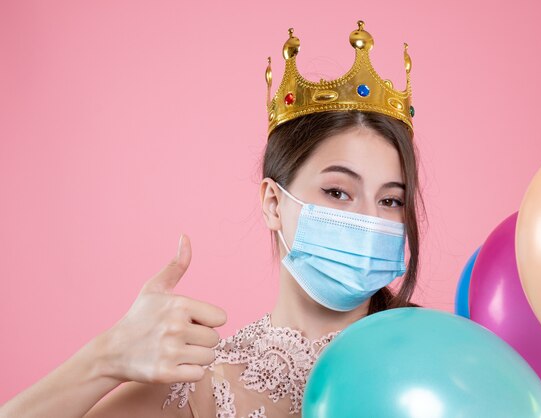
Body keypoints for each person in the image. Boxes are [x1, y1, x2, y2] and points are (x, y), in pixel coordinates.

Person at [0, 20, 424, 418]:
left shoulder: (427, 357)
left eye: (390, 201)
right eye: (337, 192)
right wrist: (106, 358)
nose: (369, 220)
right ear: (274, 204)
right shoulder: (200, 387)